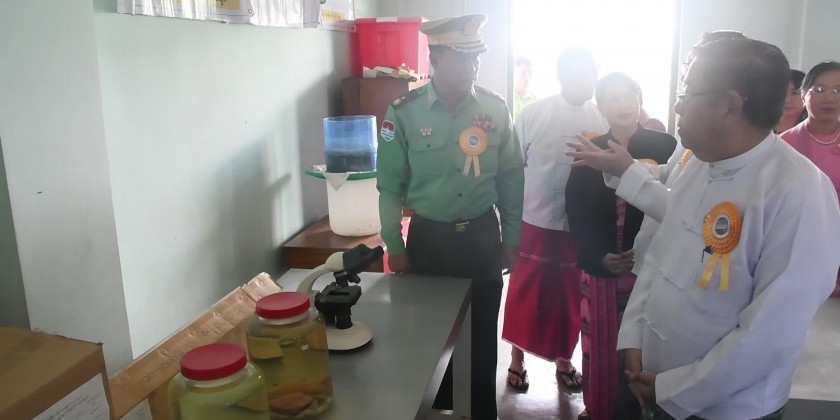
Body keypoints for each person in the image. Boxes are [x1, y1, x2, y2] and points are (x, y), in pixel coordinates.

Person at [569, 36, 840, 420]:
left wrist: (674, 388)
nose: (677, 106)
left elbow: (770, 334)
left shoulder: (798, 190)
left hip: (726, 407)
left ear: (729, 105)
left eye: (687, 93)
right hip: (651, 379)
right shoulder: (700, 162)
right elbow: (658, 259)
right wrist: (633, 338)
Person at [376, 14, 524, 420]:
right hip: (430, 242)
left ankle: (482, 413)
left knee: (482, 338)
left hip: (481, 237)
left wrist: (512, 239)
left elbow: (512, 178)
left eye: (476, 57)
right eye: (462, 57)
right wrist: (394, 245)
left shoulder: (495, 108)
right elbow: (389, 186)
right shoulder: (403, 113)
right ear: (436, 58)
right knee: (432, 340)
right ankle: (439, 414)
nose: (472, 65)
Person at [565, 72, 676, 420]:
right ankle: (597, 408)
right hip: (602, 267)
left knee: (643, 347)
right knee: (599, 346)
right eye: (613, 98)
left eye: (629, 95)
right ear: (601, 108)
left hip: (650, 268)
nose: (623, 104)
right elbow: (576, 209)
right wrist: (599, 255)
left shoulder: (665, 146)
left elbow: (674, 207)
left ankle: (639, 410)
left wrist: (639, 252)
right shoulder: (591, 148)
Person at [501, 46, 606, 394]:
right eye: (580, 74)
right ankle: (517, 359)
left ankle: (564, 359)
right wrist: (508, 221)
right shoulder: (534, 114)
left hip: (580, 224)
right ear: (562, 75)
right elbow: (513, 169)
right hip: (536, 219)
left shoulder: (601, 118)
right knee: (526, 292)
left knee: (572, 295)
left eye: (591, 74)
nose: (587, 81)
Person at [780, 61, 840, 297]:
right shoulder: (783, 145)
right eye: (820, 89)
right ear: (804, 96)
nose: (830, 98)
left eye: (838, 90)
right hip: (797, 252)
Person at [775, 69, 807, 134]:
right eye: (782, 93)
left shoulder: (815, 130)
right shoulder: (759, 130)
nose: (786, 99)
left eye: (795, 93)